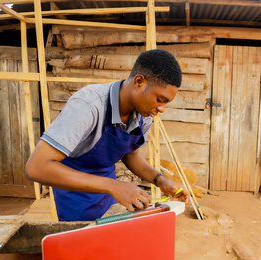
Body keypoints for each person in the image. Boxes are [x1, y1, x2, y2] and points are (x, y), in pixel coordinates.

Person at [25, 49, 189, 221]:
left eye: (166, 103)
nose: (162, 108)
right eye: (160, 99)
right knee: (83, 241)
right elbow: (36, 167)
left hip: (108, 190)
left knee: (111, 235)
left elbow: (130, 154)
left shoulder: (144, 114)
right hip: (75, 191)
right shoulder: (88, 106)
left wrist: (161, 180)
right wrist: (114, 186)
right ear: (139, 82)